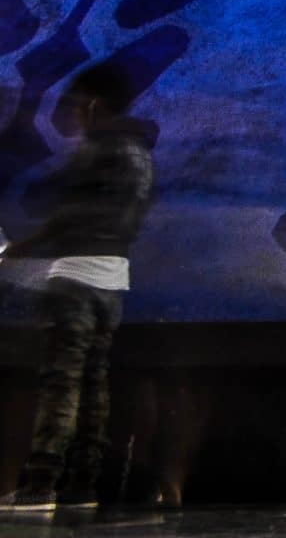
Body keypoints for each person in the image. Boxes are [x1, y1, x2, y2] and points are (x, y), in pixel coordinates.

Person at [6, 63, 155, 511]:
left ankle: (39, 484)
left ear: (92, 104)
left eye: (74, 106)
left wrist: (19, 248)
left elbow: (70, 216)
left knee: (61, 383)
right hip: (113, 281)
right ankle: (81, 485)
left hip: (74, 280)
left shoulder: (98, 148)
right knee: (94, 385)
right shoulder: (141, 154)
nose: (72, 117)